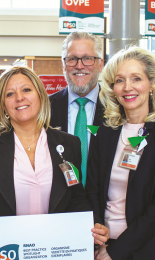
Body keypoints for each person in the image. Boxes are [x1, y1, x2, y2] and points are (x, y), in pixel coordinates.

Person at [0, 66, 109, 249]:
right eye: (10, 94)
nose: (19, 98)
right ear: (3, 105)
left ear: (40, 96)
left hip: (53, 248)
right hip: (5, 248)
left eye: (26, 90)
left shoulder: (69, 144)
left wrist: (93, 224)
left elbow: (76, 197)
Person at [86, 46, 155, 260]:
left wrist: (115, 252)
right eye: (120, 80)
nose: (127, 87)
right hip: (104, 244)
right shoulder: (105, 132)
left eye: (136, 78)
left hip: (148, 249)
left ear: (152, 83)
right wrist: (99, 232)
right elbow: (94, 190)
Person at [49, 31, 104, 187]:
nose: (79, 66)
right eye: (72, 59)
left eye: (88, 58)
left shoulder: (116, 108)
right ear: (64, 65)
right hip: (59, 206)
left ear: (100, 64)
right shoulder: (45, 108)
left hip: (102, 206)